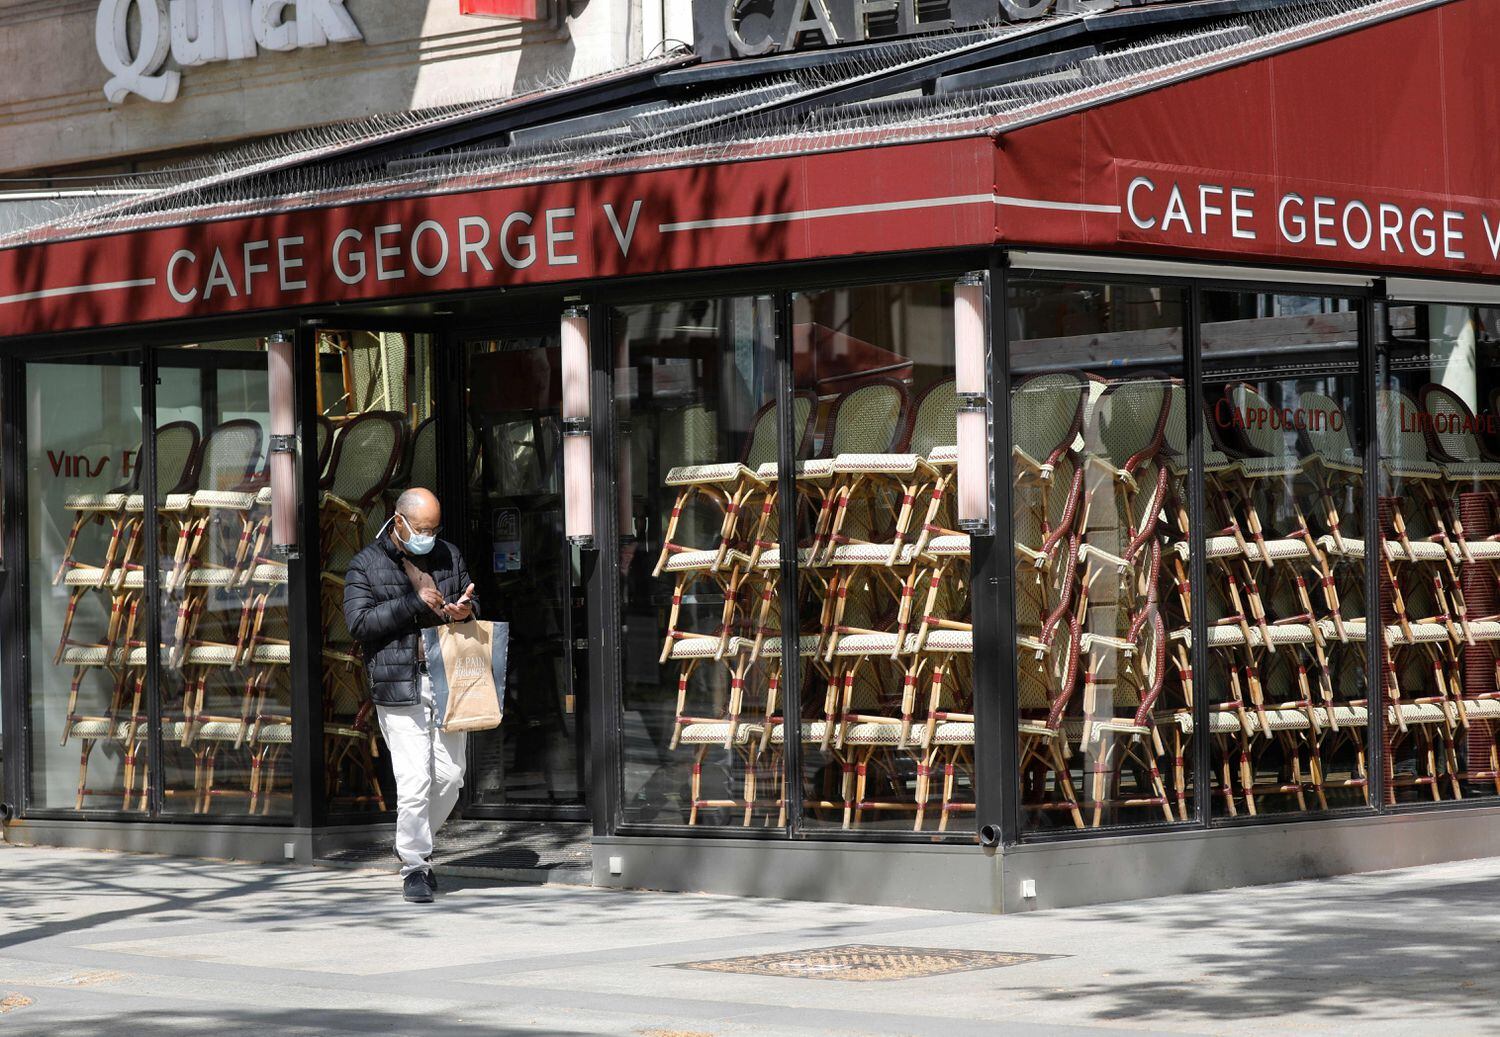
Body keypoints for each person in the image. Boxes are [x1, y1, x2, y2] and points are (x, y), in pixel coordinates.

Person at [344, 487, 476, 904]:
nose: (428, 536)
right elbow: (359, 624)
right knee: (415, 779)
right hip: (398, 683)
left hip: (447, 678)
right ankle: (416, 866)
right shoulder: (365, 563)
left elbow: (470, 598)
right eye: (421, 528)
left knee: (451, 778)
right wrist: (412, 602)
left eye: (434, 529)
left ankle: (410, 842)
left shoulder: (448, 555)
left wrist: (465, 609)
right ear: (397, 520)